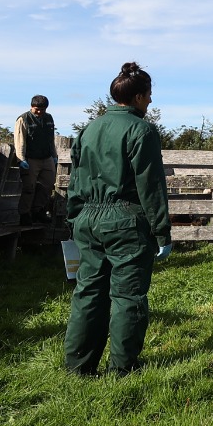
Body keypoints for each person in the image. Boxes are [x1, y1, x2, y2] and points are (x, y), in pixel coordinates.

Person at [63, 62, 172, 377]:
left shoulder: (88, 129)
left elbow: (75, 178)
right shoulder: (141, 130)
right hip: (125, 218)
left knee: (88, 292)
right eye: (149, 96)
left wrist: (75, 216)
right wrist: (162, 233)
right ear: (138, 97)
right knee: (127, 295)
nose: (151, 102)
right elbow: (151, 187)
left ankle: (78, 368)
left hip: (87, 218)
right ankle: (123, 369)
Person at [13, 95, 57, 225]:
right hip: (31, 158)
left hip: (47, 157)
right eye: (37, 109)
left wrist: (54, 155)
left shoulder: (48, 118)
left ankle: (39, 211)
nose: (39, 112)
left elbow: (51, 139)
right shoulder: (23, 119)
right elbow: (20, 140)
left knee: (47, 186)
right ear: (32, 106)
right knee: (29, 187)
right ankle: (25, 214)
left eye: (42, 109)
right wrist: (21, 159)